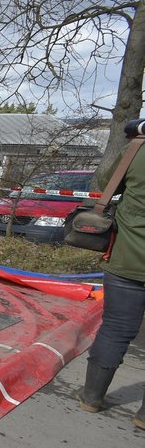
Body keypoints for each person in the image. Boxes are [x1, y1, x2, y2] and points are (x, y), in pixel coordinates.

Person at [78, 118, 145, 430]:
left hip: (127, 260)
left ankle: (92, 397)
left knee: (116, 328)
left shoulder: (137, 151)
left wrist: (133, 142)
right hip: (126, 264)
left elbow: (106, 182)